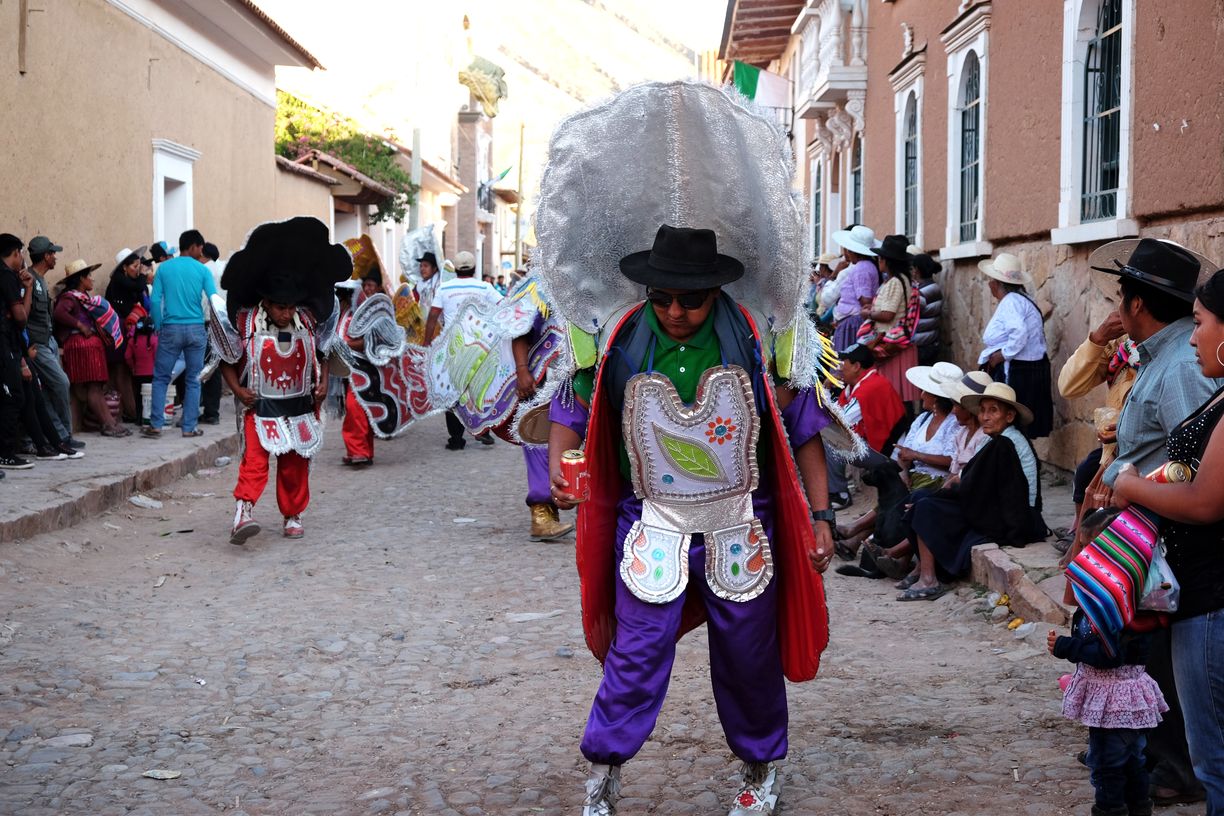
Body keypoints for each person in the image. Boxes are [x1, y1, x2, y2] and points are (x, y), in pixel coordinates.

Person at [547, 225, 837, 816]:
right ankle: (604, 771)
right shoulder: (619, 341)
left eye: (690, 299)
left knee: (747, 653)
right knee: (637, 652)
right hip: (651, 522)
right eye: (662, 298)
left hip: (739, 525)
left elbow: (802, 425)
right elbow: (572, 404)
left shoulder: (757, 340)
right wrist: (559, 465)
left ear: (716, 291)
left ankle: (760, 766)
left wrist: (822, 514)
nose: (675, 312)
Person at [1092, 238, 1220, 807]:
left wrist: (1128, 482)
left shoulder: (1183, 369)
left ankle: (1177, 764)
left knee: (1169, 662)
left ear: (1138, 304)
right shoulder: (1165, 357)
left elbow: (1196, 475)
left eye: (1203, 322)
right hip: (1153, 530)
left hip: (1175, 544)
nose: (1196, 335)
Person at [213, 217, 351, 544]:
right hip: (258, 407)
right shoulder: (245, 323)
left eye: (289, 307)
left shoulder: (308, 320)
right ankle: (243, 513)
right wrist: (238, 390)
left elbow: (324, 354)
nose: (285, 314)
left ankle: (293, 514)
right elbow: (226, 360)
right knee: (255, 461)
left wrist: (323, 384)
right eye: (280, 308)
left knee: (294, 465)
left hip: (301, 407)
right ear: (267, 302)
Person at [901, 382, 1046, 600]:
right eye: (983, 410)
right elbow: (975, 484)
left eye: (993, 411)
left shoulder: (1005, 444)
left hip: (1014, 517)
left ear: (1009, 417)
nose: (985, 417)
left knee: (926, 508)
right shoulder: (997, 440)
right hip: (998, 507)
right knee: (923, 499)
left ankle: (928, 579)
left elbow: (976, 488)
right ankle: (920, 569)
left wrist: (939, 498)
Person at [1049, 610, 1166, 816]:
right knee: (1133, 760)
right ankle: (1138, 807)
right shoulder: (1128, 607)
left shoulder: (1108, 609)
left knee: (1106, 766)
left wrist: (1065, 646)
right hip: (1130, 698)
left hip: (1112, 706)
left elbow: (1108, 654)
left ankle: (1111, 810)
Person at [424, 250, 501, 450]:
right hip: (480, 347)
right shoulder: (484, 287)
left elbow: (432, 316)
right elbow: (503, 306)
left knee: (453, 393)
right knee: (480, 389)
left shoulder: (445, 288)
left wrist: (427, 345)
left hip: (453, 348)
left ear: (456, 269)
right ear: (475, 269)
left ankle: (456, 439)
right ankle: (483, 431)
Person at [145, 229, 216, 438]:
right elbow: (213, 298)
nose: (201, 252)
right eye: (200, 248)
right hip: (196, 328)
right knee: (194, 379)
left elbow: (156, 300)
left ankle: (156, 424)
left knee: (161, 378)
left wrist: (158, 324)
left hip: (170, 328)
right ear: (193, 246)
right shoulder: (203, 271)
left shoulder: (164, 269)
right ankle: (189, 427)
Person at [977, 253, 1053, 438]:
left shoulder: (1011, 302)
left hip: (1019, 371)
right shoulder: (1020, 299)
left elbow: (1019, 333)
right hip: (1027, 368)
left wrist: (1003, 354)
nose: (989, 284)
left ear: (997, 283)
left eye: (991, 280)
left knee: (1012, 423)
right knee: (1017, 426)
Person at [52, 260, 129, 438]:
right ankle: (108, 424)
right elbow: (59, 313)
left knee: (95, 388)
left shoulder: (83, 299)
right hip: (81, 346)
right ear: (81, 279)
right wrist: (80, 325)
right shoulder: (69, 297)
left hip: (89, 346)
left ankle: (109, 422)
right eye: (89, 277)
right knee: (94, 387)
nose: (92, 280)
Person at [825, 341, 905, 509]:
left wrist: (826, 389)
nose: (840, 368)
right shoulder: (860, 385)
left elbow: (839, 420)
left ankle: (840, 495)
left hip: (888, 456)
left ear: (856, 366)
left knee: (828, 438)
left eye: (844, 363)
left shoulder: (870, 387)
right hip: (878, 447)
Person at [25, 235, 79, 445]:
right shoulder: (28, 279)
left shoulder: (39, 280)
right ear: (45, 256)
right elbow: (24, 315)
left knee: (49, 388)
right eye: (52, 253)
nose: (55, 257)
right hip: (37, 344)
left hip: (48, 341)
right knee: (60, 383)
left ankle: (62, 435)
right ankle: (62, 434)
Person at [865, 235, 920, 402]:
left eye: (880, 258)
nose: (878, 261)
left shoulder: (896, 282)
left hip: (892, 344)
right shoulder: (898, 280)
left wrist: (868, 314)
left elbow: (888, 314)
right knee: (897, 394)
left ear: (888, 261)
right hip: (893, 343)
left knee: (894, 394)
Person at [105, 246, 150, 422]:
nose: (138, 270)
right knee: (121, 370)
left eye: (139, 266)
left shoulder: (127, 281)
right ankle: (129, 411)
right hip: (118, 331)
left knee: (128, 371)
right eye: (134, 266)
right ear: (124, 267)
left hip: (127, 328)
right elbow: (139, 284)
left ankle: (132, 410)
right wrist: (144, 275)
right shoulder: (118, 280)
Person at [0, 234, 33, 469]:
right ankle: (5, 453)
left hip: (7, 342)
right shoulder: (7, 276)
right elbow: (22, 318)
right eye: (20, 253)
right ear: (15, 253)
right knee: (13, 397)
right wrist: (28, 290)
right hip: (4, 343)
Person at [830, 224, 880, 352]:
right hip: (850, 321)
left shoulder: (861, 268)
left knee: (844, 363)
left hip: (852, 323)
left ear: (853, 251)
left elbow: (865, 300)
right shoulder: (867, 266)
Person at [911, 250, 943, 366]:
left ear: (917, 270)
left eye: (912, 268)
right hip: (931, 341)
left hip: (922, 345)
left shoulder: (923, 292)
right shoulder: (933, 287)